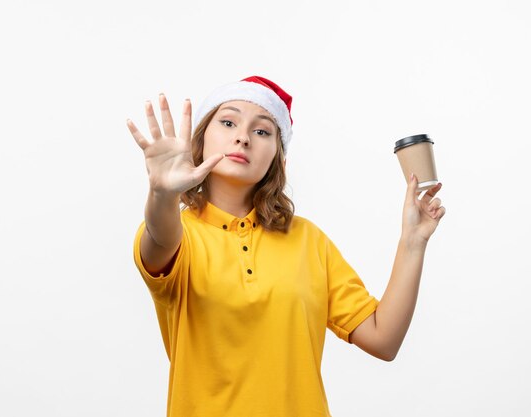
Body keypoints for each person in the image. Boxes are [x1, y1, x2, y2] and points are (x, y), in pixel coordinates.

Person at [127, 76, 446, 417]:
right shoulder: (179, 234)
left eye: (262, 131)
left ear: (279, 159)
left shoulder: (309, 241)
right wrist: (162, 193)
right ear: (201, 140)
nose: (242, 137)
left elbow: (384, 339)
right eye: (228, 121)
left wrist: (413, 241)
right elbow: (159, 238)